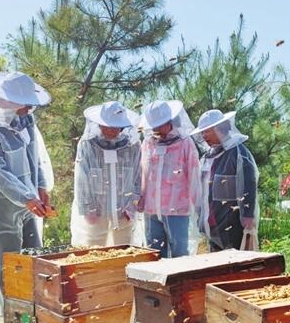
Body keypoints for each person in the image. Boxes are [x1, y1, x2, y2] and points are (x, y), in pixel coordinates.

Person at [0, 71, 54, 318]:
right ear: (6, 101)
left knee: (34, 261)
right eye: (24, 104)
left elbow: (34, 158)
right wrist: (26, 197)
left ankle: (36, 319)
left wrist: (42, 187)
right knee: (8, 266)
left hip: (29, 203)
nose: (28, 109)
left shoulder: (25, 121)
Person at [71, 101, 141, 246]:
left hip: (124, 209)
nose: (110, 130)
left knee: (124, 251)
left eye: (114, 127)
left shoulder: (132, 145)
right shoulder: (87, 144)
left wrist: (132, 203)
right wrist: (87, 207)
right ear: (99, 124)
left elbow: (137, 175)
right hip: (96, 209)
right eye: (107, 126)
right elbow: (82, 177)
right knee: (94, 251)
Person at [138, 100, 201, 258]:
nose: (157, 130)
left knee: (180, 254)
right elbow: (142, 172)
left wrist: (199, 207)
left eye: (160, 125)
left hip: (177, 209)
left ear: (169, 121)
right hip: (151, 209)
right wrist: (140, 198)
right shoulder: (147, 143)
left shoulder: (185, 143)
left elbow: (194, 175)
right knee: (154, 254)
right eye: (154, 126)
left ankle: (180, 284)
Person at [192, 109, 259, 251]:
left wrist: (248, 216)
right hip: (212, 221)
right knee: (215, 266)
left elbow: (249, 184)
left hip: (232, 223)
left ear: (219, 128)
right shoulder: (208, 156)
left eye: (206, 131)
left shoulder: (238, 152)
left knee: (233, 265)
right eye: (202, 132)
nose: (203, 136)